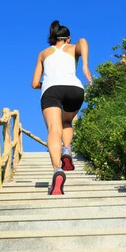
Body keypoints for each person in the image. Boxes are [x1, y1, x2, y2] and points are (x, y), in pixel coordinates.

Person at [31, 20, 93, 195]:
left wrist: (48, 84)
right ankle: (67, 149)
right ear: (67, 39)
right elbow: (83, 41)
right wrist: (85, 66)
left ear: (53, 39)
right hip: (75, 89)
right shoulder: (73, 48)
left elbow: (34, 83)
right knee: (67, 121)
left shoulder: (43, 53)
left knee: (53, 129)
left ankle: (57, 169)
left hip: (51, 91)